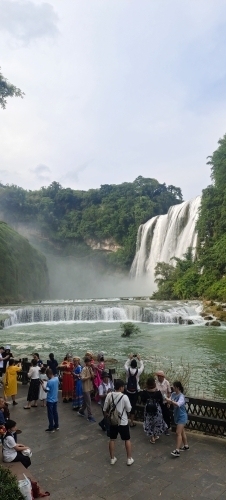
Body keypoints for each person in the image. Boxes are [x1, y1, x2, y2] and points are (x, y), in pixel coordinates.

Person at [103, 379, 134, 466]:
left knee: (112, 439)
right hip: (123, 421)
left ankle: (112, 458)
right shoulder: (124, 397)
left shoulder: (109, 395)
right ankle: (129, 459)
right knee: (127, 439)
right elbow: (129, 409)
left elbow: (105, 408)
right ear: (121, 387)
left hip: (113, 421)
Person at [165, 381, 189, 457]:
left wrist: (171, 401)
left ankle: (177, 450)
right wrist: (168, 403)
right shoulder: (173, 394)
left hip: (182, 416)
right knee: (182, 432)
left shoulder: (181, 396)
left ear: (177, 388)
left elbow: (178, 404)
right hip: (177, 416)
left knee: (178, 433)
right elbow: (170, 401)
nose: (173, 388)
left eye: (174, 387)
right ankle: (186, 446)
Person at [141, 377, 167, 444]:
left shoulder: (144, 392)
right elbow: (161, 401)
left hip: (148, 409)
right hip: (156, 408)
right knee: (156, 422)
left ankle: (152, 437)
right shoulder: (158, 392)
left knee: (149, 422)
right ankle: (155, 435)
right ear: (154, 383)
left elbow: (143, 400)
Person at [124, 354, 144, 427]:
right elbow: (142, 367)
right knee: (133, 406)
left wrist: (129, 358)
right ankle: (132, 422)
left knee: (126, 405)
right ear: (136, 366)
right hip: (135, 391)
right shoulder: (138, 371)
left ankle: (125, 421)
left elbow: (125, 365)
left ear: (131, 365)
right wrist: (140, 359)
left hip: (128, 390)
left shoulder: (127, 370)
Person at [40, 368, 59, 433]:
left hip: (50, 400)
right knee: (55, 413)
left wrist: (42, 385)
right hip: (55, 399)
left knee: (50, 414)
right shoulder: (56, 379)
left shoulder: (50, 382)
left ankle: (51, 427)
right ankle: (56, 425)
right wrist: (47, 380)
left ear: (48, 374)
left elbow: (46, 390)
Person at [78, 356, 96, 422]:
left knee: (86, 401)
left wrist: (93, 374)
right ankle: (90, 416)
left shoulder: (90, 368)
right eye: (88, 362)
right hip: (85, 388)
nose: (89, 363)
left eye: (90, 361)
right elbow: (82, 378)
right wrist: (89, 376)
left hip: (89, 387)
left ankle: (81, 411)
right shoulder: (84, 369)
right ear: (86, 362)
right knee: (89, 402)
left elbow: (93, 377)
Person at [155, 370, 171, 434]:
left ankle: (166, 428)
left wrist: (169, 402)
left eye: (160, 376)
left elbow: (169, 392)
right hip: (158, 402)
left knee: (166, 415)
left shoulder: (167, 383)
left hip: (165, 401)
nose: (159, 377)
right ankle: (158, 428)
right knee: (157, 415)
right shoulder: (155, 382)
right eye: (158, 376)